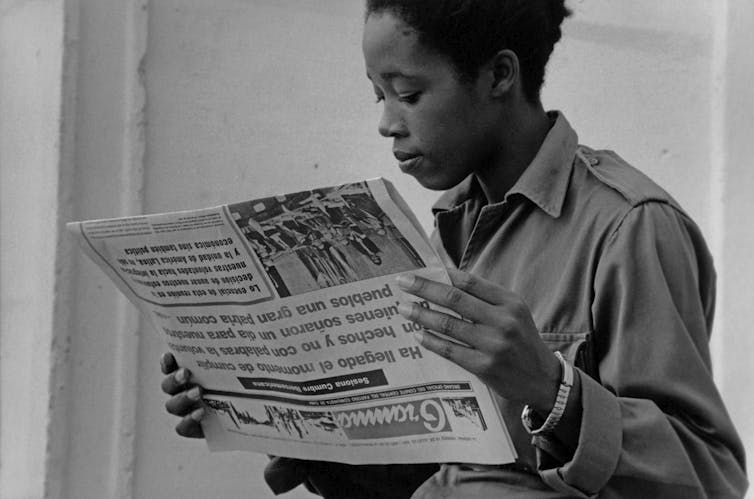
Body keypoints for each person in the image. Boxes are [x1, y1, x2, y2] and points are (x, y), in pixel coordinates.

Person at [160, 1, 748, 497]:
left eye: (408, 94)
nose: (387, 123)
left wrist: (553, 389)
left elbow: (710, 475)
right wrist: (271, 408)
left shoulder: (631, 226)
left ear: (499, 75)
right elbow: (452, 471)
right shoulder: (442, 228)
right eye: (377, 97)